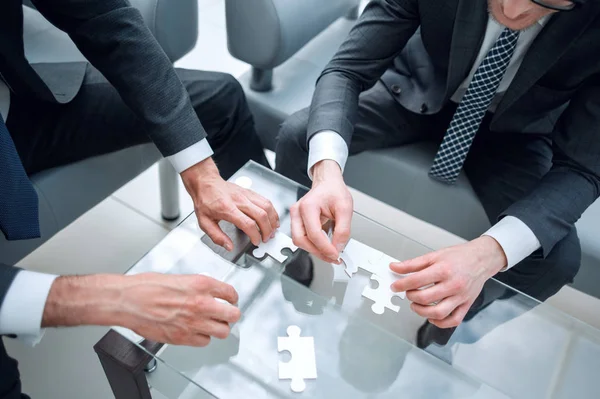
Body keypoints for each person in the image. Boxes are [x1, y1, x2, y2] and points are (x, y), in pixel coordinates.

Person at [0, 1, 280, 397]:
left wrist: (202, 174)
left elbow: (105, 17)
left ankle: (275, 263)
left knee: (221, 98)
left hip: (16, 95)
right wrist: (112, 296)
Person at [276, 0, 599, 330]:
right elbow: (347, 70)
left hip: (517, 132)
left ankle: (454, 323)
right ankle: (305, 247)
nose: (514, 11)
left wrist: (488, 255)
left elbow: (584, 168)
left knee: (556, 260)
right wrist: (326, 175)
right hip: (419, 89)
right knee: (301, 136)